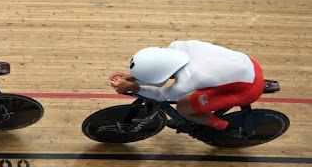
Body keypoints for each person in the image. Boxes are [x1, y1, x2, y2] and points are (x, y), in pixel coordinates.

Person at [109, 40, 265, 130]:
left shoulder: (190, 79)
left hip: (248, 88)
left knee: (183, 106)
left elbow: (161, 95)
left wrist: (131, 87)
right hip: (247, 63)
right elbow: (162, 69)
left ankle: (220, 127)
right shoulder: (177, 46)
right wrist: (133, 76)